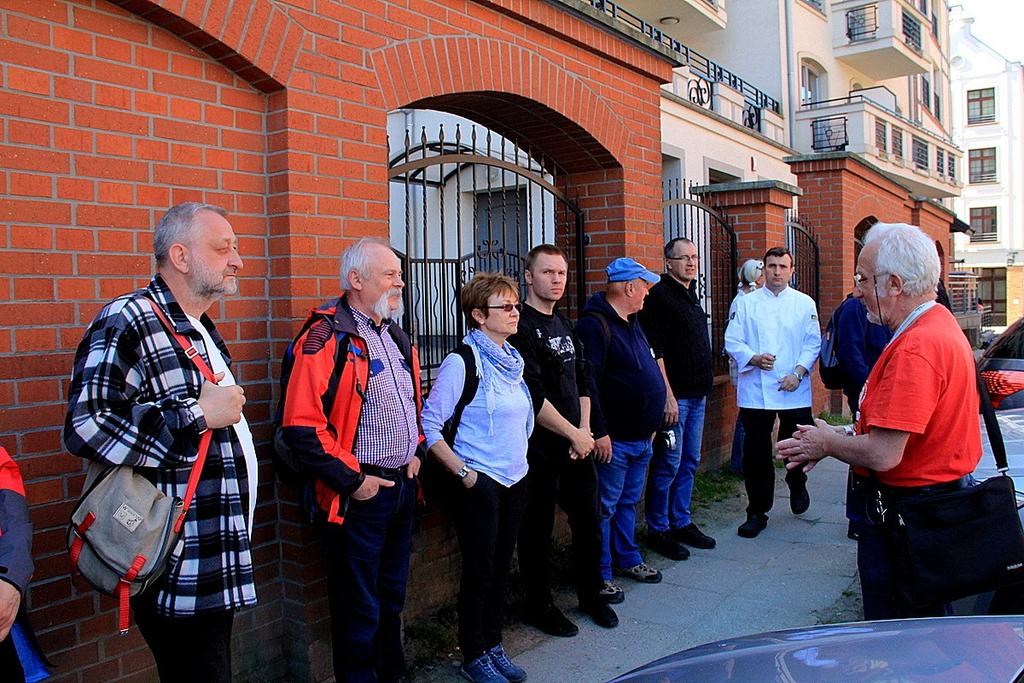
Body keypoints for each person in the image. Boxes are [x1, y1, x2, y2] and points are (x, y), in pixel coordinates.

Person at [64, 203, 254, 681]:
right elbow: (87, 425)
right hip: (175, 555)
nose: (238, 260)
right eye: (223, 247)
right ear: (181, 256)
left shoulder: (199, 327)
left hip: (213, 546)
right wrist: (196, 414)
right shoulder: (127, 319)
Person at [778, 222, 982, 619]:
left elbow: (886, 453)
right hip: (927, 511)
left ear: (894, 284)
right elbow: (906, 428)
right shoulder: (934, 326)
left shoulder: (917, 346)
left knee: (898, 637)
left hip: (910, 516)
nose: (856, 291)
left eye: (863, 279)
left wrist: (828, 444)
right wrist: (842, 433)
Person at [278, 238, 423, 683]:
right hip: (359, 495)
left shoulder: (395, 334)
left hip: (401, 487)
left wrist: (415, 448)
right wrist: (354, 480)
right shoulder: (326, 335)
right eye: (389, 274)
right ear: (356, 280)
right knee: (358, 608)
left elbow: (407, 404)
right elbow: (302, 426)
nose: (400, 281)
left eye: (399, 273)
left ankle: (391, 675)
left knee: (391, 597)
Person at [421, 272, 534, 683]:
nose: (515, 312)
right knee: (480, 570)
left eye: (516, 305)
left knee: (503, 565)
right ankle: (473, 654)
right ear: (478, 315)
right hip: (480, 483)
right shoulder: (462, 362)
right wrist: (465, 474)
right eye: (506, 307)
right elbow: (429, 426)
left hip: (514, 478)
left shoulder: (512, 360)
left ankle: (493, 643)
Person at [509, 245, 618, 638]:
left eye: (561, 273)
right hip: (539, 450)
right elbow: (532, 394)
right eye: (547, 272)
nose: (556, 280)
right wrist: (572, 433)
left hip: (577, 445)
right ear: (528, 276)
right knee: (536, 531)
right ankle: (539, 605)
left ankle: (591, 594)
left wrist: (584, 431)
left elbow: (583, 381)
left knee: (589, 521)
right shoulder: (519, 326)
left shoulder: (567, 326)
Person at [577, 258, 666, 594]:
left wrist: (653, 421)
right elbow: (590, 382)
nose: (647, 293)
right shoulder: (595, 325)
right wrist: (599, 431)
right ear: (630, 286)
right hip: (615, 439)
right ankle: (600, 573)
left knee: (629, 501)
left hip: (641, 435)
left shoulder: (633, 321)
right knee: (606, 506)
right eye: (645, 286)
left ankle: (626, 557)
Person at [724, 246, 821, 538]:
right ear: (763, 269)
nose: (777, 271)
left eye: (782, 266)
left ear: (792, 271)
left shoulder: (805, 304)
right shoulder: (746, 303)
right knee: (756, 452)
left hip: (794, 386)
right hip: (757, 389)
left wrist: (799, 372)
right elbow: (732, 340)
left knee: (795, 442)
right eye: (771, 266)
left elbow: (812, 342)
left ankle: (796, 482)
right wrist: (752, 357)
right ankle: (757, 510)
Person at [638, 238, 717, 561]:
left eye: (694, 256)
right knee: (668, 462)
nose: (690, 262)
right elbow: (654, 349)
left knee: (690, 461)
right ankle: (658, 528)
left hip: (698, 394)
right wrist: (668, 396)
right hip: (677, 398)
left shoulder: (690, 294)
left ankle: (681, 520)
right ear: (668, 262)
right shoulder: (659, 296)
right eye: (683, 258)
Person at [728, 259, 764, 474]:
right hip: (745, 363)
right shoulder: (741, 300)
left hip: (756, 363)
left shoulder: (753, 297)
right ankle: (739, 462)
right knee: (746, 415)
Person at [833, 295, 891, 417]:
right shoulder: (854, 307)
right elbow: (850, 354)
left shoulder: (883, 306)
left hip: (882, 387)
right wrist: (867, 385)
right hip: (865, 388)